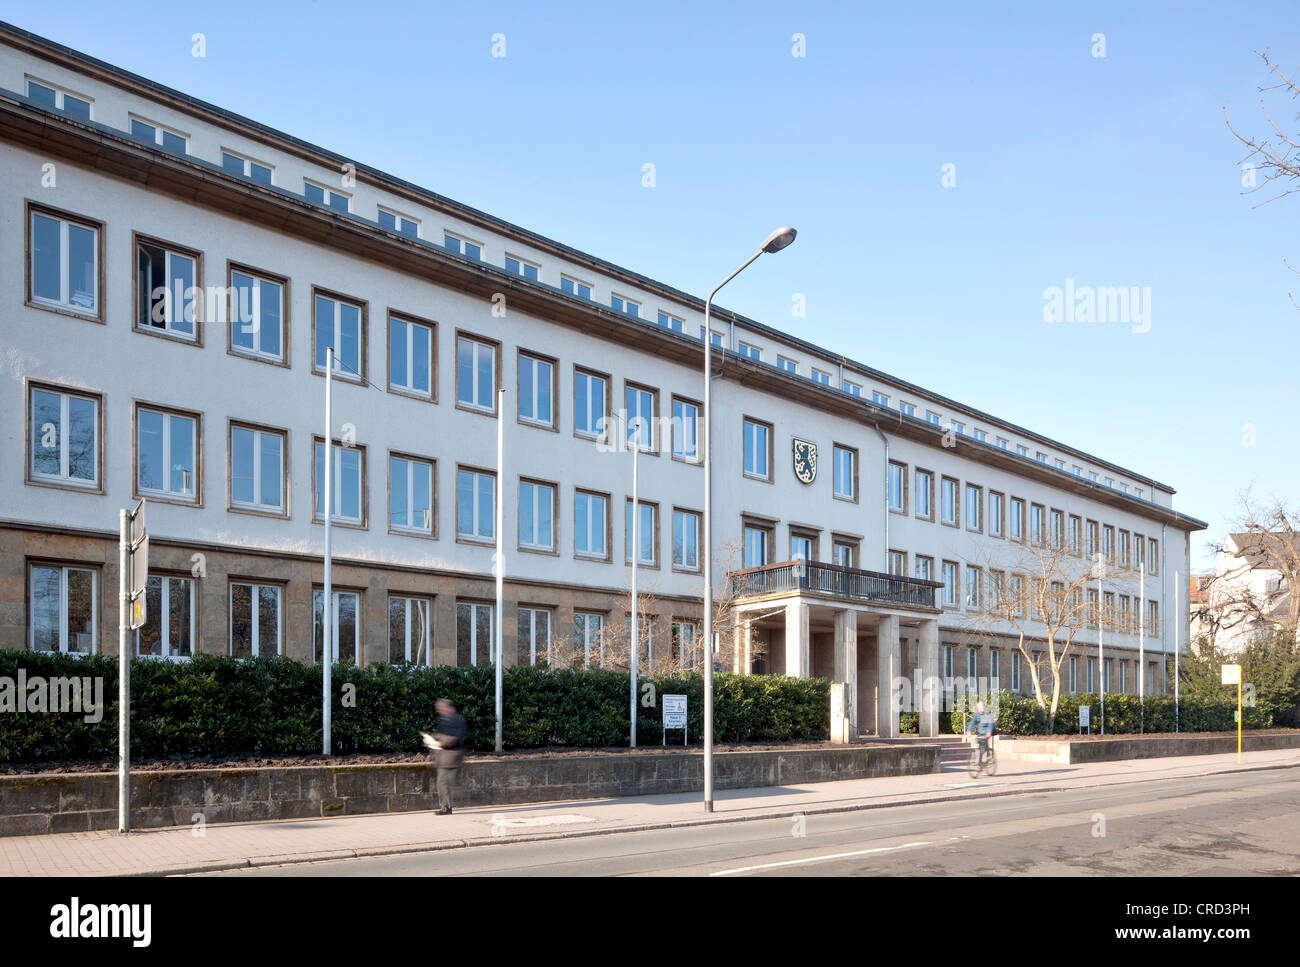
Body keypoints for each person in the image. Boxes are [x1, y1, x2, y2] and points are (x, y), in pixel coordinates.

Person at [424, 698, 467, 815]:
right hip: (444, 757)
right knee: (444, 783)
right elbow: (443, 735)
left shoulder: (457, 719)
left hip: (451, 757)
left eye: (442, 707)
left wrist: (437, 743)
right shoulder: (444, 719)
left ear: (450, 707)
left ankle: (446, 808)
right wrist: (431, 739)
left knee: (443, 783)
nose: (440, 710)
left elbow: (454, 738)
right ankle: (446, 806)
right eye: (438, 708)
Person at [965, 699, 996, 768]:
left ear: (984, 707)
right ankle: (978, 761)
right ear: (977, 708)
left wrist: (989, 732)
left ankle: (988, 758)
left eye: (982, 707)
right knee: (977, 744)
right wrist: (969, 731)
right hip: (980, 731)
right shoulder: (976, 714)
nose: (981, 708)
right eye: (979, 707)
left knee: (985, 743)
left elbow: (991, 723)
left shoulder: (987, 713)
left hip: (988, 730)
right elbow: (972, 723)